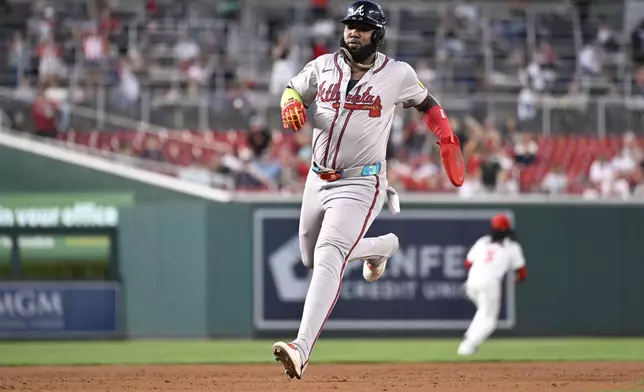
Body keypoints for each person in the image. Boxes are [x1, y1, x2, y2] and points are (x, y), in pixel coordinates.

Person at [271, 0, 465, 379]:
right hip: (317, 177)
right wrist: (290, 102)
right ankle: (382, 247)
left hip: (362, 181)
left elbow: (428, 104)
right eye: (349, 25)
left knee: (330, 253)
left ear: (377, 33)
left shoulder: (397, 74)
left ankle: (301, 347)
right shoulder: (323, 66)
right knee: (311, 258)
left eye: (361, 26)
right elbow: (293, 89)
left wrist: (445, 136)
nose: (353, 31)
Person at [457, 214, 528, 356]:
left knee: (483, 311)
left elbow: (467, 263)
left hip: (471, 283)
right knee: (489, 321)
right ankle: (467, 346)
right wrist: (516, 278)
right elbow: (521, 273)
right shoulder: (512, 246)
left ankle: (470, 336)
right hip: (490, 285)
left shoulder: (483, 242)